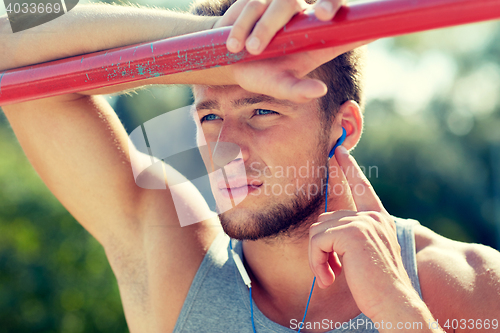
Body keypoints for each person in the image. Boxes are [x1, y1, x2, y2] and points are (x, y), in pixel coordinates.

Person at [1, 0, 500, 332]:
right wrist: (214, 47)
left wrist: (396, 308)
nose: (226, 149)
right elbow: (12, 25)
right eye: (210, 115)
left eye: (262, 110)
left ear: (342, 128)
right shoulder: (174, 265)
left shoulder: (469, 283)